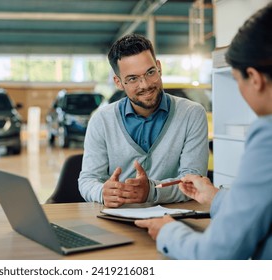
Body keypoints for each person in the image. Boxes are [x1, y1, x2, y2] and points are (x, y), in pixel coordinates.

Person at [135, 3, 272, 259]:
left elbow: (217, 255)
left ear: (254, 77)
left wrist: (168, 232)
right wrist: (216, 198)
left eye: (236, 80)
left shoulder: (268, 135)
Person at [78, 33, 209, 207]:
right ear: (118, 82)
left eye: (150, 72)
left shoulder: (192, 114)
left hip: (173, 220)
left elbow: (194, 182)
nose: (145, 85)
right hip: (117, 220)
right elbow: (88, 180)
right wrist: (102, 192)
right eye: (132, 79)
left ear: (159, 67)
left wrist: (151, 191)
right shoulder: (101, 121)